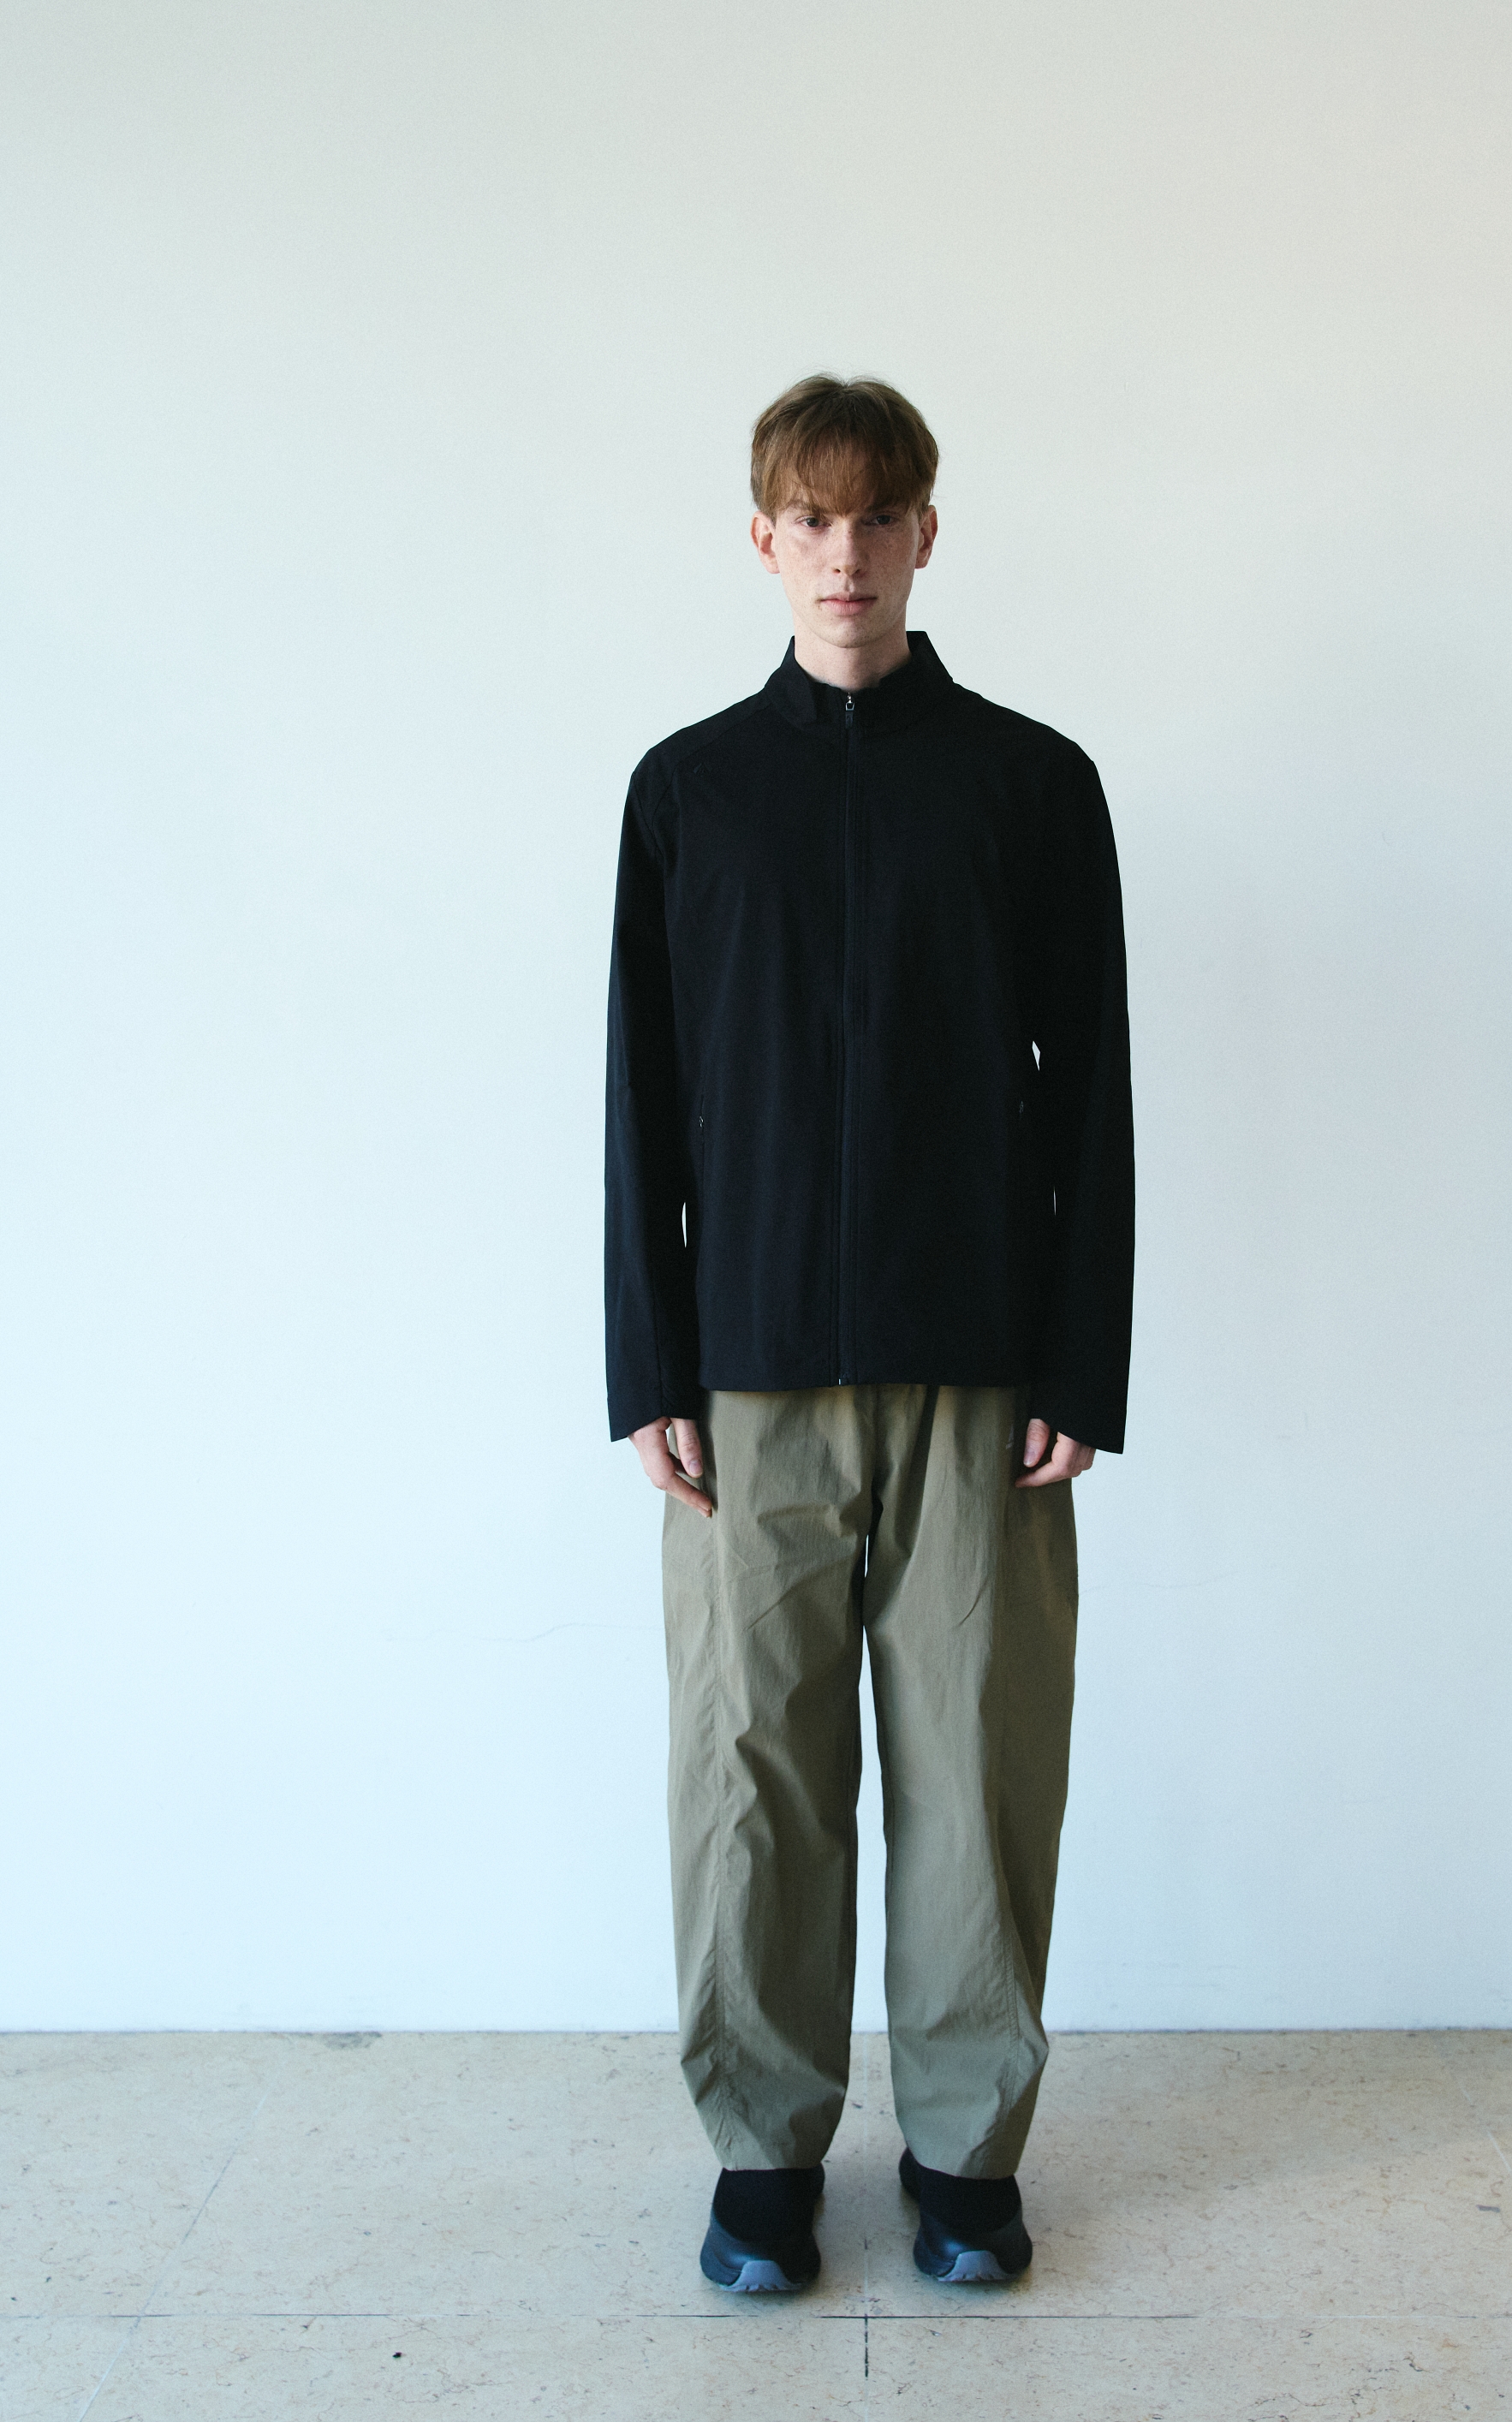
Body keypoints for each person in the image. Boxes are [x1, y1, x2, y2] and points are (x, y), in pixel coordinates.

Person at [604, 374, 1133, 2292]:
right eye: (811, 520)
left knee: (979, 1774)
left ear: (925, 534)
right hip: (744, 1377)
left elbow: (1092, 1096)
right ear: (764, 540)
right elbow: (641, 1103)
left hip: (983, 1374)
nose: (845, 554)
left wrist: (1082, 1366)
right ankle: (762, 2150)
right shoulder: (689, 793)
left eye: (876, 517)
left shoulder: (1029, 783)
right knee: (751, 1773)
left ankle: (965, 2154)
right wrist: (648, 1367)